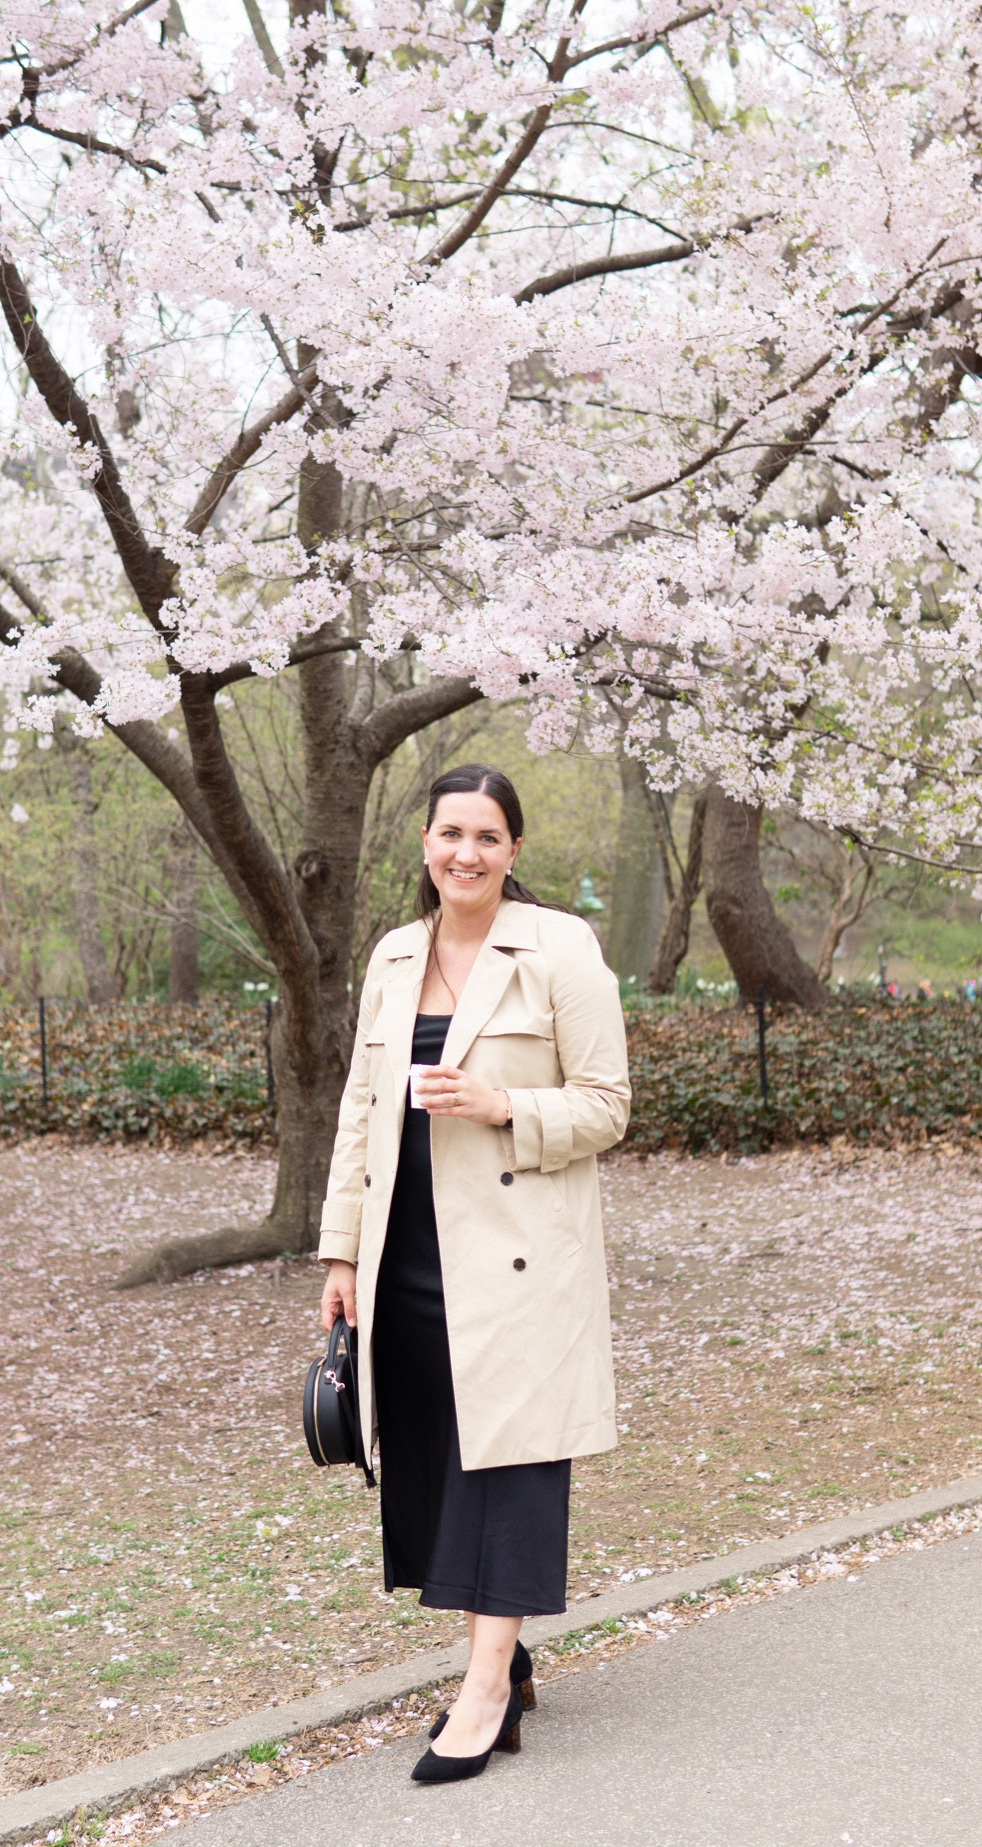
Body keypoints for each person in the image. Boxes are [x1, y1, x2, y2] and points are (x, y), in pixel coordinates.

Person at [318, 762, 631, 1785]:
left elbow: (607, 1104)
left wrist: (504, 1104)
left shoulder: (558, 949)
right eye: (451, 832)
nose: (466, 851)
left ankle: (486, 1687)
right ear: (424, 843)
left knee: (506, 1462)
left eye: (487, 836)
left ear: (513, 851)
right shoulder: (394, 953)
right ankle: (508, 1646)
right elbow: (360, 1113)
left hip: (517, 1258)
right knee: (430, 1457)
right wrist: (338, 1249)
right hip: (402, 1247)